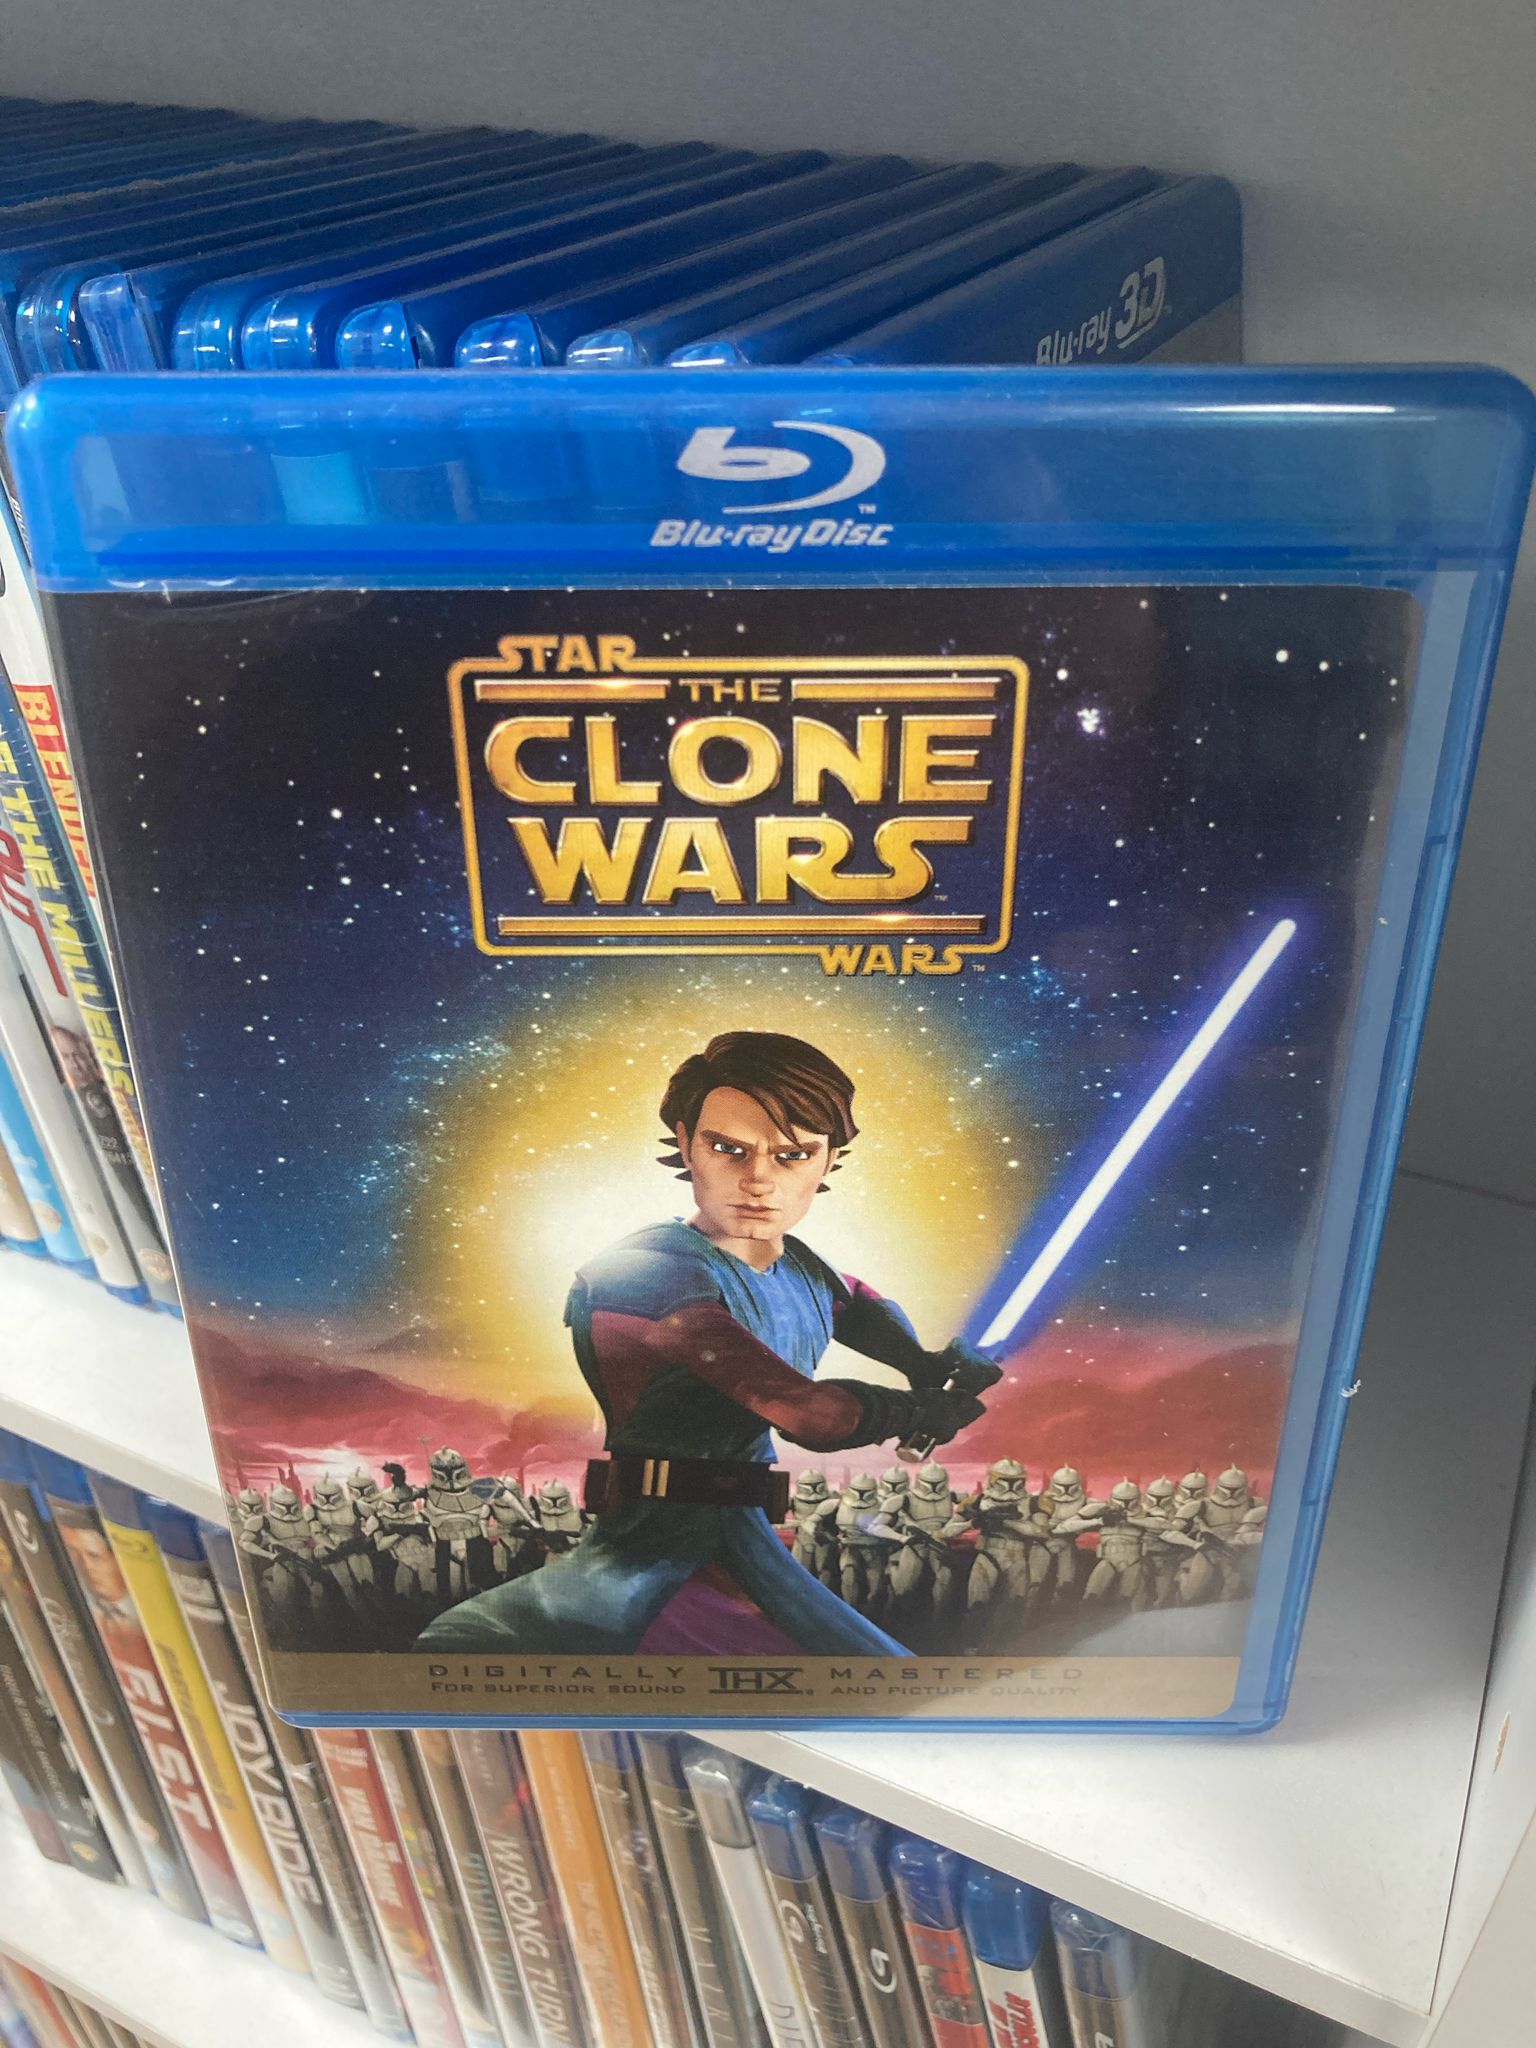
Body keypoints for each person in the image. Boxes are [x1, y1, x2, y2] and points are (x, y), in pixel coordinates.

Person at [419, 1029, 996, 1655]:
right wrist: (919, 1408)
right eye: (728, 1149)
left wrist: (924, 1363)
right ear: (686, 1145)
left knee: (881, 1681)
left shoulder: (800, 1267)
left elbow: (853, 1301)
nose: (758, 1180)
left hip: (742, 1545)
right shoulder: (645, 1271)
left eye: (793, 1154)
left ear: (829, 1160)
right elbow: (809, 1414)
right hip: (643, 1556)